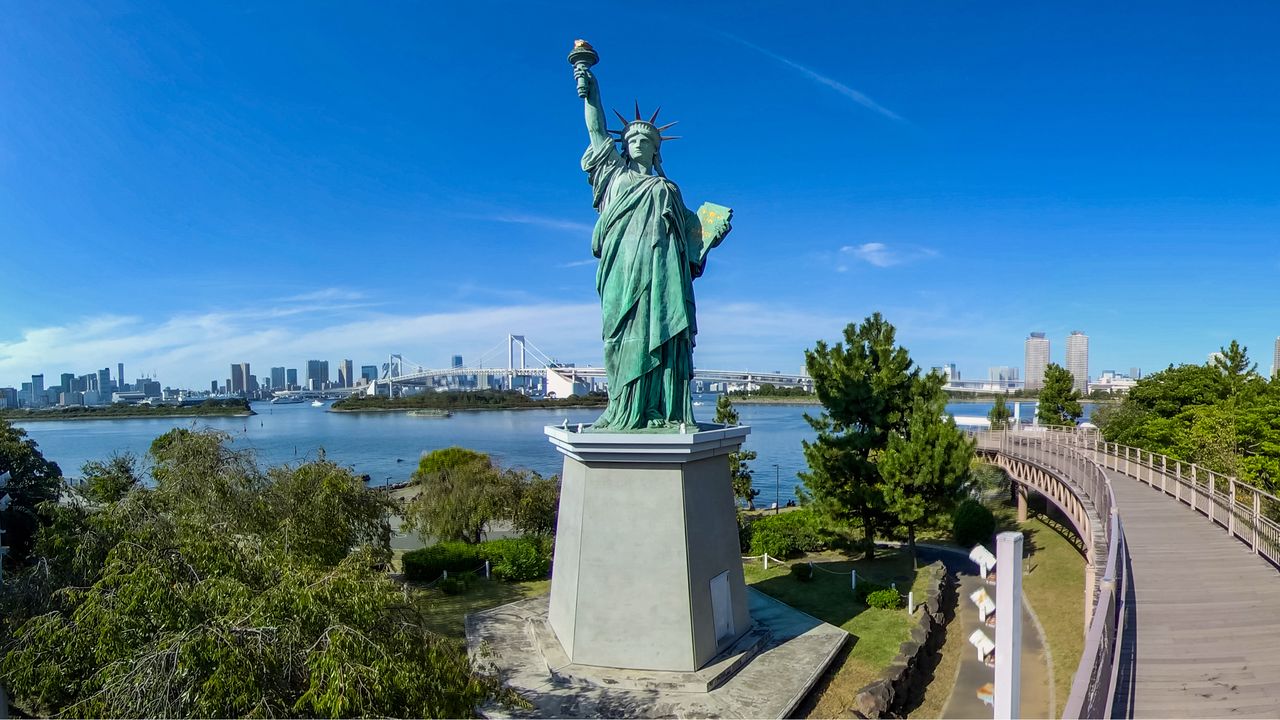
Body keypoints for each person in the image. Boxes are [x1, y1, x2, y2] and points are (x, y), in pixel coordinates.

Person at [574, 63, 730, 430]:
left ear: (656, 150)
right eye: (631, 140)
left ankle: (661, 409)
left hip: (662, 273)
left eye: (645, 140)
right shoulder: (614, 174)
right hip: (621, 267)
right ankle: (622, 408)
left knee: (662, 332)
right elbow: (596, 130)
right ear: (624, 147)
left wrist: (714, 232)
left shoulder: (668, 189)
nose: (637, 143)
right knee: (620, 336)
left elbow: (694, 235)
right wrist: (590, 90)